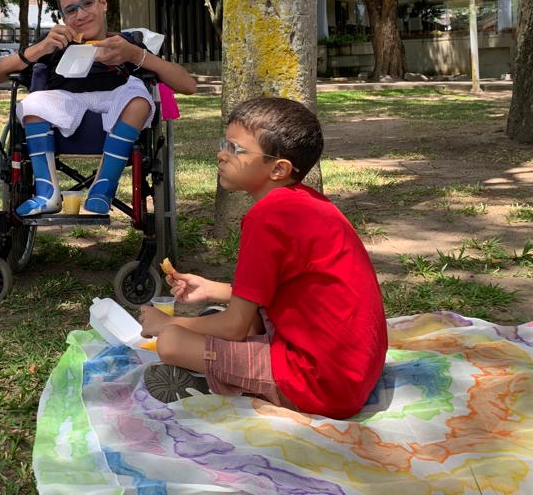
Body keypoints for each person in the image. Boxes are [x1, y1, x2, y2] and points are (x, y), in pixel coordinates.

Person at [138, 97, 388, 419]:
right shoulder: (304, 203)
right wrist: (214, 288)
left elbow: (233, 327)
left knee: (172, 342)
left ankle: (213, 382)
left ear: (278, 168)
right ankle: (221, 373)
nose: (221, 154)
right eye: (224, 144)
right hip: (354, 372)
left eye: (237, 149)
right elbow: (287, 291)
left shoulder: (267, 217)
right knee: (243, 320)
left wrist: (167, 323)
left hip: (320, 385)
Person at [0, 0, 197, 216]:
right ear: (62, 17)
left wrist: (134, 55)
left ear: (103, 3)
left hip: (116, 104)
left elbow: (188, 86)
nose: (81, 15)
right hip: (64, 107)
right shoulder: (53, 44)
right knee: (31, 103)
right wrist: (39, 48)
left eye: (88, 3)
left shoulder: (125, 43)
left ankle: (103, 188)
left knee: (139, 97)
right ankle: (46, 192)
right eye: (71, 10)